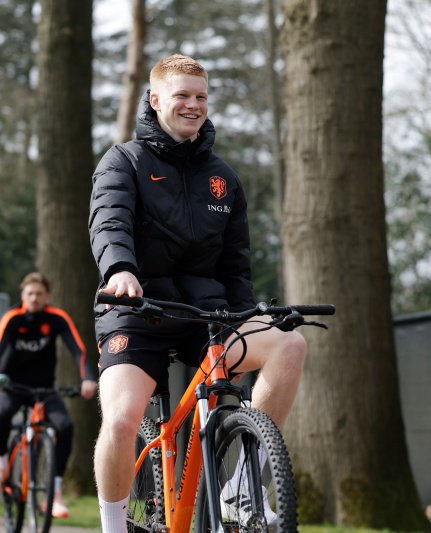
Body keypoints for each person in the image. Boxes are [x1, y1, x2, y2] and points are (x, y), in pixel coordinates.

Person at [88, 54, 306, 533]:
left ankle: (242, 489)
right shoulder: (123, 161)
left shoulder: (223, 177)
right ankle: (113, 524)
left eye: (201, 96)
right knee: (122, 421)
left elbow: (236, 263)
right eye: (182, 95)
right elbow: (109, 224)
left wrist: (249, 314)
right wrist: (121, 271)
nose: (192, 105)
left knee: (289, 344)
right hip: (135, 310)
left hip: (207, 316)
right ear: (156, 100)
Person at [0, 272, 98, 519]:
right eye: (30, 293)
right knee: (1, 413)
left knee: (64, 426)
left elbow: (78, 350)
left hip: (44, 389)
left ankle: (54, 494)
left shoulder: (56, 318)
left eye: (39, 294)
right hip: (13, 386)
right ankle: (2, 460)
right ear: (23, 295)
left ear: (47, 296)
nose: (34, 298)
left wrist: (87, 378)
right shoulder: (12, 318)